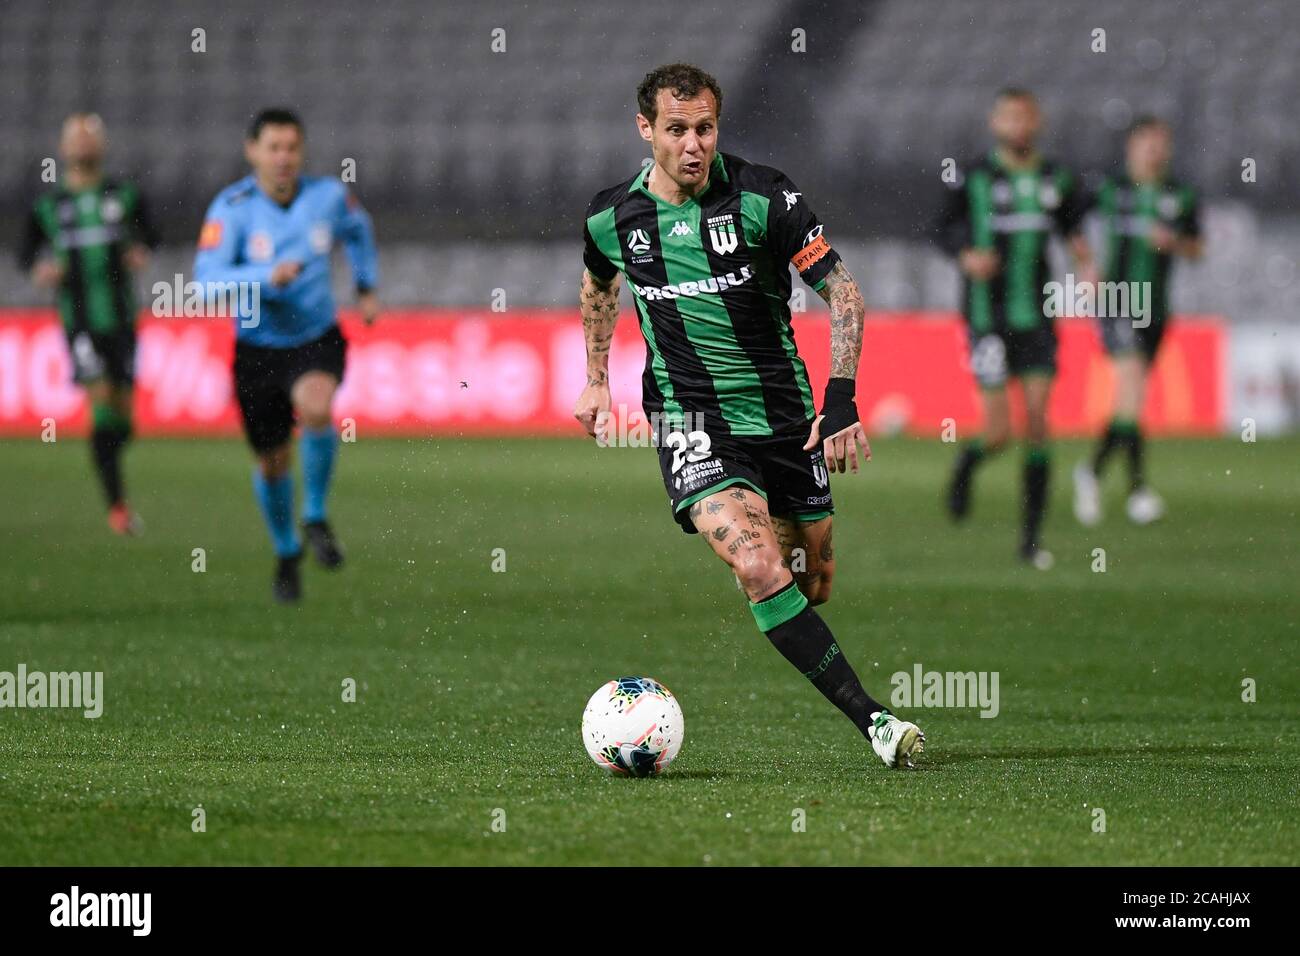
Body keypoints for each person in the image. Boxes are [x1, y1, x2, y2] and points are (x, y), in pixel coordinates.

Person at [573, 64, 924, 769]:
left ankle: (794, 602)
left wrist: (843, 399)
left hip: (788, 423)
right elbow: (598, 284)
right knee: (760, 567)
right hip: (691, 422)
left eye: (705, 128)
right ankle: (877, 722)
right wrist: (595, 380)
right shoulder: (614, 218)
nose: (693, 144)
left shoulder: (766, 196)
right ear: (646, 131)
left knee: (809, 578)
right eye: (676, 130)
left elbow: (846, 295)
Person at [194, 108, 379, 603]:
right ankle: (286, 549)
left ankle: (315, 514)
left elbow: (359, 230)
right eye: (273, 147)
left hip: (316, 338)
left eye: (292, 147)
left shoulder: (328, 197)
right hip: (257, 351)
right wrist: (262, 276)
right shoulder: (231, 208)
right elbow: (205, 283)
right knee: (273, 463)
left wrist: (365, 285)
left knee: (317, 406)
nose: (283, 158)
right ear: (251, 150)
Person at [937, 89, 1096, 568]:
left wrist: (1087, 265)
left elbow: (1074, 231)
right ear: (995, 121)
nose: (1018, 125)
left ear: (1037, 122)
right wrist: (966, 255)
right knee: (999, 431)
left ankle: (1030, 539)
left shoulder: (1056, 177)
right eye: (1010, 116)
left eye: (1025, 117)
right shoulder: (973, 176)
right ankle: (968, 463)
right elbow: (942, 229)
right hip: (986, 318)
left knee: (1038, 422)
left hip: (1038, 318)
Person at [18, 114, 158, 535]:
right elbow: (26, 255)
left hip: (121, 319)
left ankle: (109, 459)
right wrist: (41, 270)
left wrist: (140, 251)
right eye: (74, 138)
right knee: (100, 403)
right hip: (79, 323)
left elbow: (151, 235)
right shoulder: (49, 207)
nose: (82, 145)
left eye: (89, 137)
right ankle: (117, 507)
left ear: (102, 146)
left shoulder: (124, 196)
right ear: (62, 149)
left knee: (124, 417)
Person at [1073, 116, 1203, 526]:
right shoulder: (1110, 189)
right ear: (1131, 146)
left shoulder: (1179, 194)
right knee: (1130, 384)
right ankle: (1138, 490)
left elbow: (1198, 248)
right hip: (1118, 300)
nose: (1155, 151)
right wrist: (1087, 265)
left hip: (1157, 307)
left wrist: (1176, 243)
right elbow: (1068, 220)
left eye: (1161, 144)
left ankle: (1093, 473)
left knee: (1132, 401)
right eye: (1147, 143)